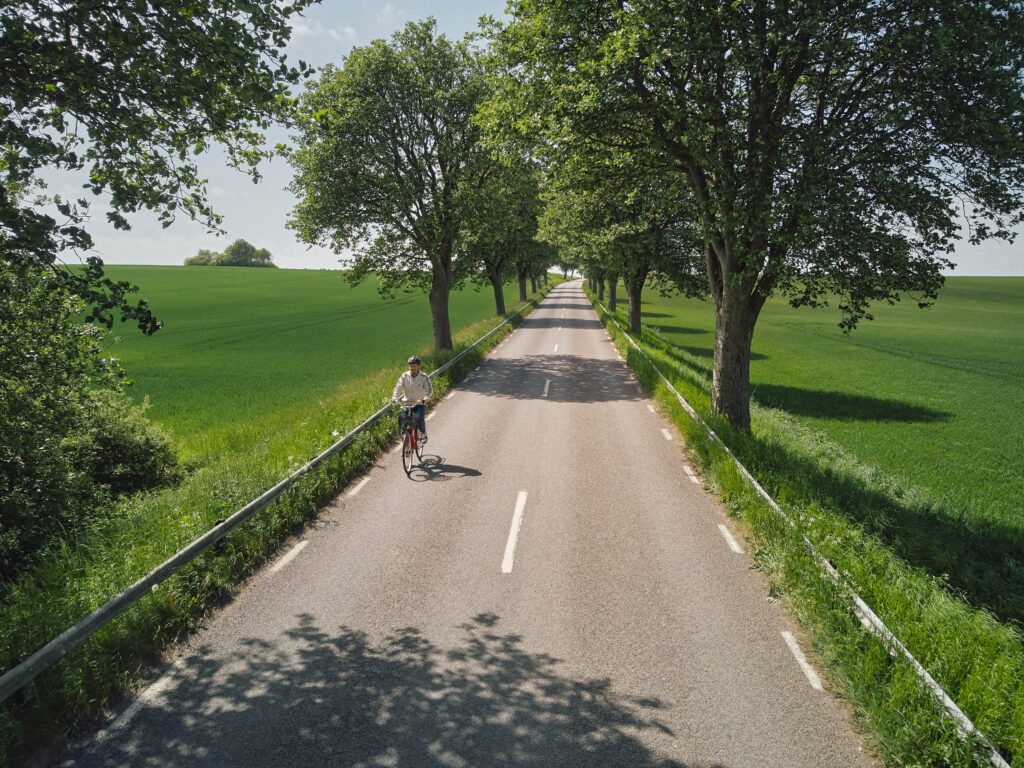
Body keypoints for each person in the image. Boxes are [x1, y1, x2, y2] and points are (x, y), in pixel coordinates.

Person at [392, 355, 432, 443]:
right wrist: (394, 397)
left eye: (414, 366)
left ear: (418, 366)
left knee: (419, 418)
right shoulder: (404, 376)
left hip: (419, 404)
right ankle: (405, 440)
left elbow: (429, 389)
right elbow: (398, 388)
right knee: (404, 421)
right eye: (410, 366)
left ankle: (423, 433)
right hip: (408, 404)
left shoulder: (423, 377)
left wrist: (426, 398)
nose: (412, 368)